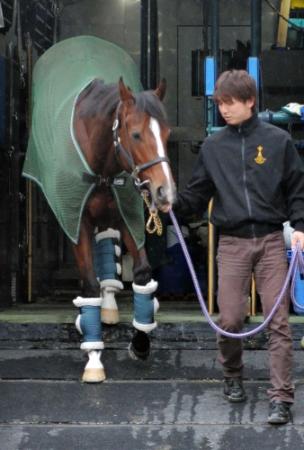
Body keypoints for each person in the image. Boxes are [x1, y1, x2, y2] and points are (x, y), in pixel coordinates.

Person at [174, 69, 304, 425]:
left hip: (271, 241)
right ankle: (232, 375)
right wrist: (168, 202)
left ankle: (281, 398)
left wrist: (301, 227)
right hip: (231, 242)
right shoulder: (213, 147)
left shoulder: (278, 142)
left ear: (250, 101)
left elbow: (297, 188)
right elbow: (196, 195)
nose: (224, 110)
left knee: (278, 321)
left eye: (230, 103)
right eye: (220, 104)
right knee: (229, 319)